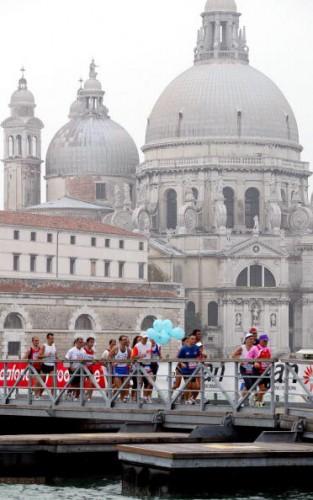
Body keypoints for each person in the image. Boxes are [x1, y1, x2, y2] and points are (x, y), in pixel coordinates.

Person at [247, 334, 272, 407]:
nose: (266, 342)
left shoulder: (268, 349)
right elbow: (247, 359)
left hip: (265, 371)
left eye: (267, 341)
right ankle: (259, 404)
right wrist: (254, 363)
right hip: (257, 371)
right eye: (264, 341)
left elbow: (269, 359)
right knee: (262, 388)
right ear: (260, 340)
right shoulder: (255, 348)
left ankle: (255, 396)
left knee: (267, 387)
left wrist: (270, 364)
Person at [232, 332, 257, 402]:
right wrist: (240, 360)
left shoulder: (254, 347)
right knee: (248, 383)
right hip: (244, 367)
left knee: (251, 384)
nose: (251, 341)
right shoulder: (242, 347)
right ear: (246, 340)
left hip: (252, 367)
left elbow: (258, 357)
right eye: (249, 339)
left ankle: (242, 400)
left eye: (252, 339)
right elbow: (233, 356)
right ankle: (242, 400)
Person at [177, 334, 200, 404]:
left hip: (193, 370)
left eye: (195, 339)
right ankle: (187, 400)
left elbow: (199, 356)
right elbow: (178, 357)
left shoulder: (196, 347)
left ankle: (189, 398)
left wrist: (202, 357)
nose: (193, 340)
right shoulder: (184, 348)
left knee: (197, 387)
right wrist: (181, 363)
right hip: (186, 370)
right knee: (189, 385)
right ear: (189, 340)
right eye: (192, 339)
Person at [131, 334, 153, 403]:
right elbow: (133, 357)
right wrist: (140, 356)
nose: (145, 339)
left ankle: (145, 396)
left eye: (146, 338)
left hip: (148, 365)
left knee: (150, 381)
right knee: (139, 382)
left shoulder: (150, 344)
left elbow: (151, 354)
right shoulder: (137, 346)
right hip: (139, 365)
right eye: (144, 338)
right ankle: (135, 397)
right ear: (141, 338)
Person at [110, 335, 131, 402]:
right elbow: (109, 357)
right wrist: (113, 363)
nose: (125, 341)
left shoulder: (128, 349)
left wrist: (129, 364)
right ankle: (113, 398)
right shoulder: (116, 348)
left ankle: (121, 399)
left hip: (125, 369)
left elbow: (129, 359)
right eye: (124, 339)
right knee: (120, 387)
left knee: (125, 387)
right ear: (120, 341)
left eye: (126, 339)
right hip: (117, 369)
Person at [38, 333, 57, 397]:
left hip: (52, 365)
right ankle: (39, 394)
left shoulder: (54, 345)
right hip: (45, 365)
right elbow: (39, 356)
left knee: (54, 381)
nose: (52, 340)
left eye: (53, 338)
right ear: (47, 338)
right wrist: (46, 355)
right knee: (43, 382)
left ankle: (53, 396)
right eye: (51, 338)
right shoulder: (44, 346)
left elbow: (55, 355)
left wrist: (58, 359)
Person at [130, 335, 142, 401]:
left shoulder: (143, 348)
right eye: (138, 340)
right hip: (134, 367)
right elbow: (132, 358)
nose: (140, 341)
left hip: (141, 367)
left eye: (141, 340)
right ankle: (132, 396)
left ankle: (137, 396)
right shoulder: (133, 348)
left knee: (140, 383)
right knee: (135, 383)